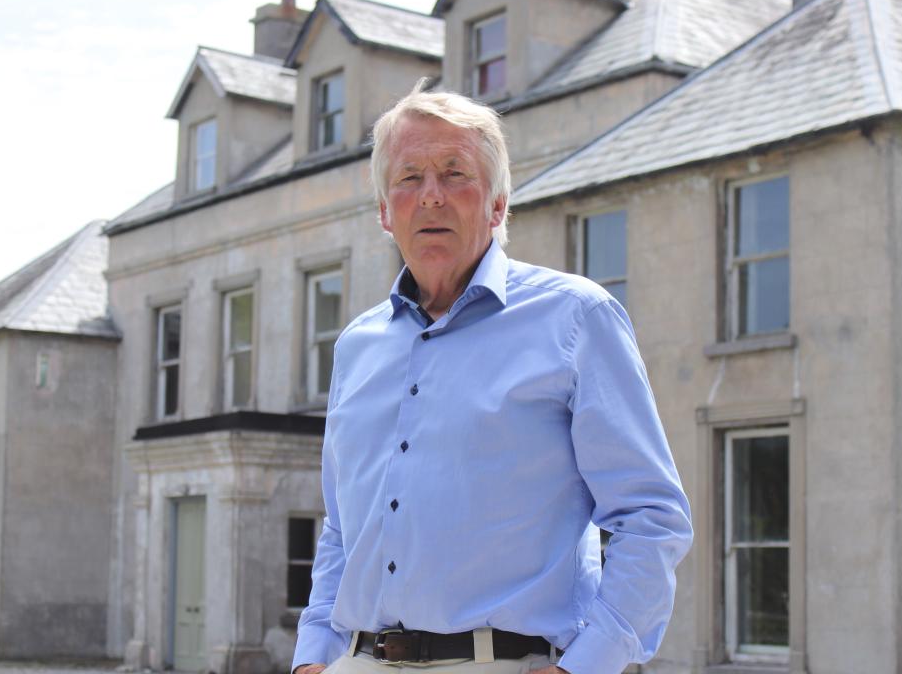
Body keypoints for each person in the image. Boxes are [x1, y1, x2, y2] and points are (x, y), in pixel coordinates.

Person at [291, 81, 693, 674]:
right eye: (409, 178)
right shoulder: (356, 346)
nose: (431, 197)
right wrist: (312, 657)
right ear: (384, 210)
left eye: (455, 174)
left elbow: (650, 517)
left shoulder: (576, 317)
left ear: (498, 204)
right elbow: (343, 531)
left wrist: (588, 665)